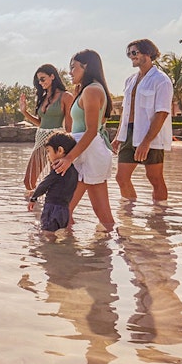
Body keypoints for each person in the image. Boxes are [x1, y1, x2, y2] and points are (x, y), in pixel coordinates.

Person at [51, 50, 116, 231]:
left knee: (62, 208)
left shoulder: (92, 91)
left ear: (86, 66)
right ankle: (114, 250)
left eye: (73, 67)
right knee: (104, 217)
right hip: (88, 152)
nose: (70, 72)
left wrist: (69, 158)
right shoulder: (87, 90)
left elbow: (91, 131)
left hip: (87, 153)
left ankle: (62, 253)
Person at [112, 39, 173, 204]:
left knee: (154, 178)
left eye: (134, 52)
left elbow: (162, 113)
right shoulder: (130, 80)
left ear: (148, 53)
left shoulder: (161, 80)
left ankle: (160, 214)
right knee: (121, 177)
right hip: (129, 133)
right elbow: (126, 110)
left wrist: (146, 142)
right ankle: (129, 215)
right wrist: (118, 135)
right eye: (129, 53)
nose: (131, 56)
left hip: (150, 135)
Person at [18, 64, 74, 193]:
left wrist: (68, 151)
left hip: (55, 142)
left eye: (43, 79)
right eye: (38, 80)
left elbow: (69, 127)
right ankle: (37, 207)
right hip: (40, 140)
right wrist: (24, 112)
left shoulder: (66, 96)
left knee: (55, 179)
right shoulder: (43, 97)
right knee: (28, 182)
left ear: (52, 76)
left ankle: (50, 207)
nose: (40, 82)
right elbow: (41, 123)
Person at [27, 132, 79, 235]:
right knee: (61, 233)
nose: (47, 155)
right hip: (64, 210)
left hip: (52, 208)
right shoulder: (74, 171)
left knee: (48, 235)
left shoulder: (58, 169)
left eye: (48, 151)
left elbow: (44, 184)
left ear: (60, 150)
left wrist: (34, 198)